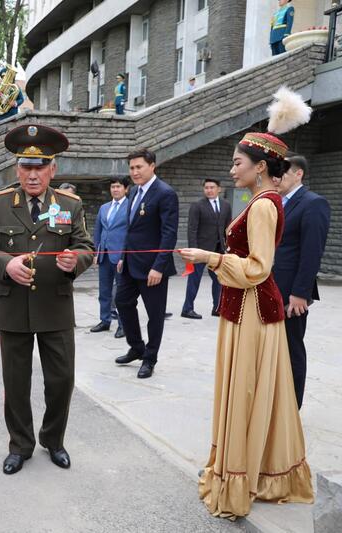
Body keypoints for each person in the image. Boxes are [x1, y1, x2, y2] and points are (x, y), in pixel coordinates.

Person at [179, 109, 314, 518]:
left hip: (253, 308)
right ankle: (245, 468)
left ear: (260, 168)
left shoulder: (263, 206)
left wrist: (210, 257)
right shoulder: (261, 200)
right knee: (249, 389)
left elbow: (258, 268)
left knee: (247, 390)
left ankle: (241, 476)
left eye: (237, 163)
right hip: (245, 305)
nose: (231, 169)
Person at [0, 124, 94, 475]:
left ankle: (53, 440)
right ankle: (20, 445)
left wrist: (75, 261)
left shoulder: (69, 204)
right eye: (26, 166)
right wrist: (6, 265)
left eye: (40, 167)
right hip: (14, 306)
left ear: (53, 169)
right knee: (16, 382)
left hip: (56, 305)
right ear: (17, 169)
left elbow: (86, 246)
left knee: (61, 380)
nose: (33, 174)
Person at [114, 148, 179, 379]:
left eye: (139, 167)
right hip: (130, 263)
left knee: (155, 314)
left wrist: (158, 267)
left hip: (153, 268)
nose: (134, 172)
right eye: (131, 168)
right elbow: (131, 229)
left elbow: (169, 234)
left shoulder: (165, 193)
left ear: (152, 166)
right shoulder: (133, 192)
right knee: (122, 302)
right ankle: (137, 347)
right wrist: (122, 257)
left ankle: (150, 358)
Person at [273, 153, 330, 409]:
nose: (277, 178)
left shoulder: (313, 203)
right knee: (275, 348)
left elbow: (312, 253)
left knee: (291, 347)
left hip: (292, 293)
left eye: (283, 173)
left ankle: (292, 407)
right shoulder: (278, 203)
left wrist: (299, 293)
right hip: (272, 287)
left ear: (298, 174)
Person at [181, 178, 232, 319]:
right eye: (206, 188)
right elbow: (192, 229)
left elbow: (227, 227)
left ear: (219, 189)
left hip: (218, 250)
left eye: (212, 187)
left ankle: (217, 308)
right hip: (200, 250)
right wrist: (193, 250)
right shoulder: (197, 206)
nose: (209, 190)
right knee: (194, 280)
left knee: (219, 280)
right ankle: (187, 309)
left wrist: (228, 246)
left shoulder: (226, 205)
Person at [90, 177, 130, 338]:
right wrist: (96, 252)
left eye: (118, 187)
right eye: (113, 187)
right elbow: (98, 231)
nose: (115, 189)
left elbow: (131, 234)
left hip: (120, 256)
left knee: (121, 293)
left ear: (126, 189)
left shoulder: (130, 207)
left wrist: (124, 256)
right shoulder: (104, 207)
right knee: (104, 291)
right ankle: (105, 320)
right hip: (104, 255)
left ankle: (123, 324)